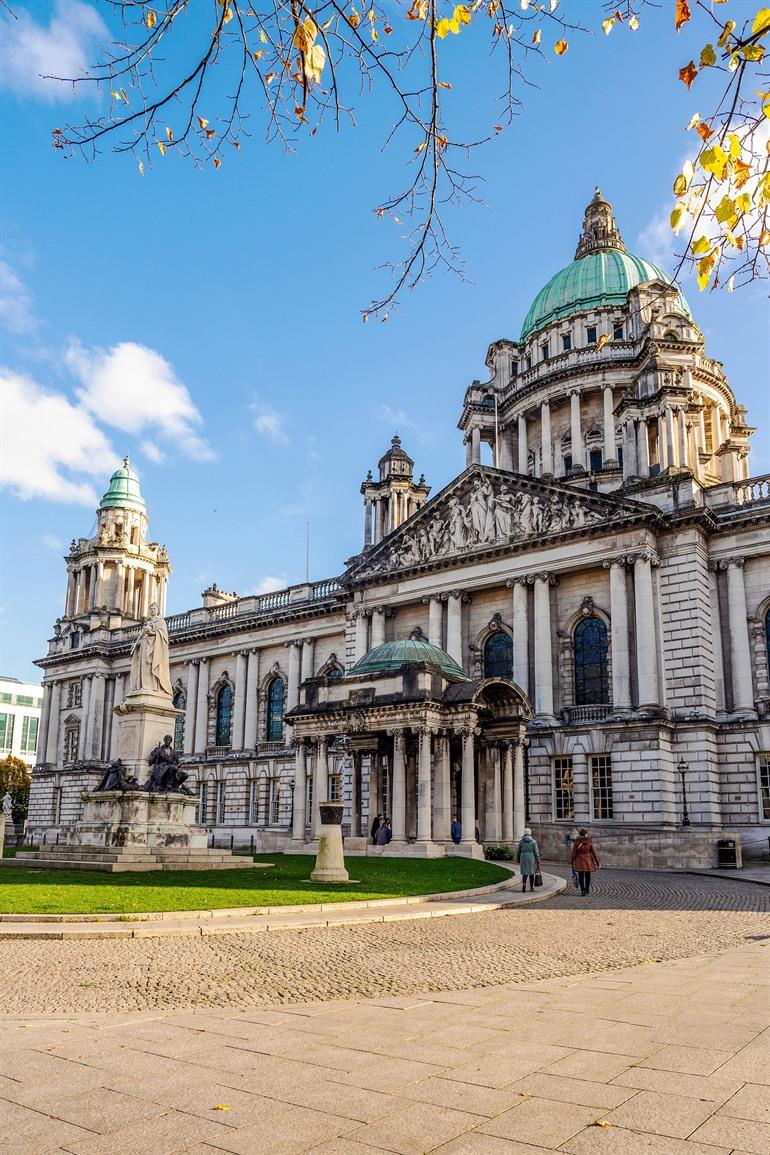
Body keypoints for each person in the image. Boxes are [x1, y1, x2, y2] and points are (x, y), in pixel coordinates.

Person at [571, 827, 600, 896]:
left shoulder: (577, 841)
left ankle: (583, 891)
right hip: (588, 861)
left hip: (579, 861)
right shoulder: (589, 841)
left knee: (581, 876)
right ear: (586, 834)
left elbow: (574, 853)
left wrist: (572, 861)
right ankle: (587, 889)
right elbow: (594, 853)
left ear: (580, 834)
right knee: (587, 876)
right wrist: (598, 863)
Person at [516, 827, 541, 892]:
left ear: (524, 833)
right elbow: (536, 852)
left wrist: (518, 859)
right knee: (531, 873)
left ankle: (524, 886)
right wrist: (538, 860)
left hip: (523, 858)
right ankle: (531, 887)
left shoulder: (521, 841)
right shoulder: (533, 841)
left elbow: (518, 851)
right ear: (530, 833)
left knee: (524, 873)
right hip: (531, 858)